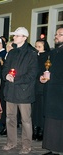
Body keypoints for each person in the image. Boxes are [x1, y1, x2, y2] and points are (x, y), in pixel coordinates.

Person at [2, 27, 38, 154]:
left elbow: (32, 74)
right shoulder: (12, 52)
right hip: (11, 90)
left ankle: (26, 145)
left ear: (24, 37)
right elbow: (5, 67)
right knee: (10, 118)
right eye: (14, 36)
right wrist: (6, 75)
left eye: (17, 36)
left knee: (26, 120)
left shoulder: (31, 53)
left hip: (24, 91)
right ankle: (11, 142)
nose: (14, 38)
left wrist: (15, 79)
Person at [40, 27, 63, 155]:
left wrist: (52, 77)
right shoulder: (53, 52)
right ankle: (51, 147)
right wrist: (43, 77)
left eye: (60, 34)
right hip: (51, 91)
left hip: (60, 92)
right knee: (50, 120)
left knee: (59, 121)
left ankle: (59, 148)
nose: (56, 36)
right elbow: (47, 69)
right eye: (56, 34)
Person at [32, 39, 50, 141]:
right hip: (34, 86)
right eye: (36, 46)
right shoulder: (34, 56)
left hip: (43, 86)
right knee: (35, 110)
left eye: (39, 46)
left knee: (42, 109)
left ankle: (41, 131)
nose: (37, 48)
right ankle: (35, 130)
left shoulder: (47, 56)